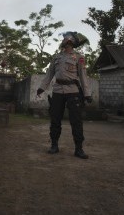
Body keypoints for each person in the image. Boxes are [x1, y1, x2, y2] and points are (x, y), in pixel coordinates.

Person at [36, 31, 92, 159]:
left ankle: (79, 149)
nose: (64, 40)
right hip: (57, 91)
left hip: (73, 91)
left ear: (71, 42)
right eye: (64, 39)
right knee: (55, 119)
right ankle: (54, 145)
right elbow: (49, 75)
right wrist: (41, 88)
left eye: (66, 39)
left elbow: (83, 77)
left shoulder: (79, 57)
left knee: (76, 121)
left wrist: (87, 94)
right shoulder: (56, 58)